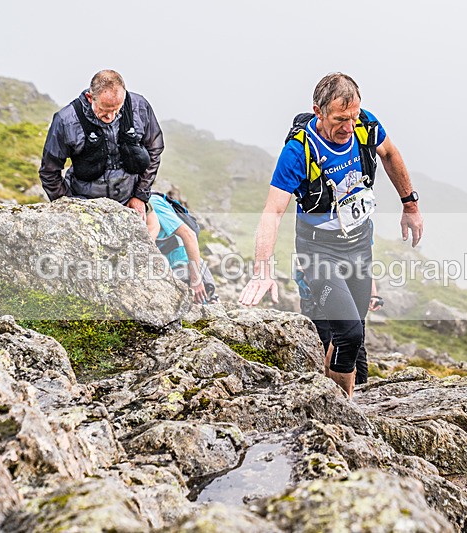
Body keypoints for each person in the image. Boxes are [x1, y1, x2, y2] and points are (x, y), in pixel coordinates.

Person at [239, 73, 423, 398]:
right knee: (348, 333)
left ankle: (335, 401)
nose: (348, 127)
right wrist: (262, 269)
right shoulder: (299, 152)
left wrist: (410, 203)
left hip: (359, 249)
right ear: (318, 112)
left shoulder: (365, 125)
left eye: (353, 117)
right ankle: (341, 412)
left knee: (354, 336)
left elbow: (391, 154)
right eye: (340, 119)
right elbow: (272, 212)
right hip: (318, 253)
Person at [38, 69, 164, 221]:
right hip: (86, 205)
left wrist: (140, 196)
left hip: (129, 201)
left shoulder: (140, 106)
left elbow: (155, 149)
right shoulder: (66, 121)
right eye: (104, 110)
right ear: (90, 98)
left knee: (153, 228)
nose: (111, 117)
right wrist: (70, 207)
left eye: (117, 110)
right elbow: (49, 172)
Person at [147, 192, 217, 304]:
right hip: (168, 267)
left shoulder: (153, 204)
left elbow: (189, 235)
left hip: (184, 264)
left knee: (200, 307)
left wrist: (195, 280)